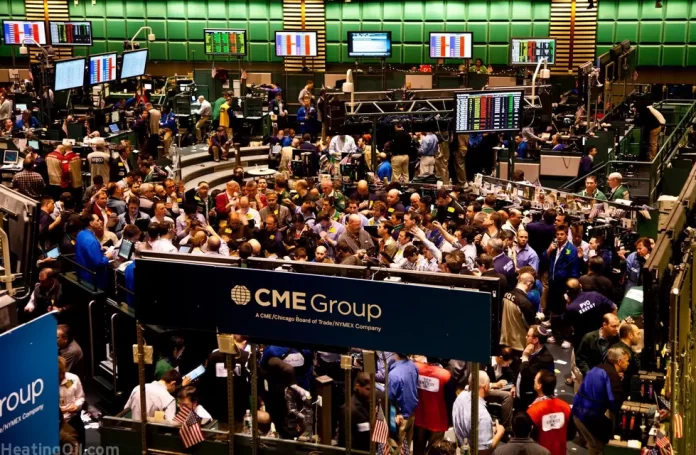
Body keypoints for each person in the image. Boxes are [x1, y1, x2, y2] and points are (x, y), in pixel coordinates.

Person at [572, 348, 629, 455]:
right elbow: (614, 403)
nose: (628, 363)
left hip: (577, 411)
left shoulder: (598, 367)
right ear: (619, 361)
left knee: (593, 444)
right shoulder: (612, 376)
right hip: (587, 416)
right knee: (599, 447)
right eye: (626, 360)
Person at [452, 370, 506, 453]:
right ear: (486, 386)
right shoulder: (483, 415)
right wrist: (500, 432)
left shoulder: (460, 397)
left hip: (461, 448)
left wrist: (489, 428)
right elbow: (484, 452)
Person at [543, 225, 579, 347]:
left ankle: (567, 338)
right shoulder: (553, 247)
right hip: (553, 284)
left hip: (564, 286)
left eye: (562, 234)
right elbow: (544, 259)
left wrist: (571, 288)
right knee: (554, 311)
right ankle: (555, 334)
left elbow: (574, 270)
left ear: (566, 235)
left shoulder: (571, 249)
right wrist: (549, 250)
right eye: (557, 234)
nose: (559, 237)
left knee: (565, 312)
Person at [526, 370, 574, 455]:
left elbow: (529, 439)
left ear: (539, 386)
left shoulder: (532, 411)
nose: (533, 380)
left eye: (535, 379)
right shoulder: (565, 407)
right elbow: (571, 434)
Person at [564, 278, 617, 349]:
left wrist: (568, 303)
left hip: (582, 340)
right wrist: (612, 326)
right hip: (600, 334)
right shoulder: (594, 295)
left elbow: (567, 325)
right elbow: (614, 307)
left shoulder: (571, 308)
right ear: (580, 286)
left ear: (568, 292)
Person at [413, 356, 451, 455]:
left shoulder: (417, 368)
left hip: (420, 417)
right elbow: (450, 399)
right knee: (435, 451)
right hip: (438, 421)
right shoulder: (445, 375)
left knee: (418, 450)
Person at [517, 325, 554, 409]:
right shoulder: (529, 348)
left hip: (531, 400)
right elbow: (519, 368)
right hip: (519, 393)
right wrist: (514, 385)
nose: (526, 337)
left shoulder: (546, 358)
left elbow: (526, 373)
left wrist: (525, 356)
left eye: (528, 336)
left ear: (535, 340)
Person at [388, 353, 419, 455]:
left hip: (399, 418)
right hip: (411, 413)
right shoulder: (413, 366)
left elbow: (390, 398)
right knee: (406, 448)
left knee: (396, 449)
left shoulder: (394, 375)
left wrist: (397, 413)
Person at [75, 214, 116, 289]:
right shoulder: (91, 241)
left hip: (82, 274)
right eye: (97, 220)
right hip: (93, 280)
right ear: (91, 223)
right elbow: (99, 263)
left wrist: (99, 249)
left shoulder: (80, 234)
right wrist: (107, 257)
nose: (100, 222)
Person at [501, 273, 537, 353]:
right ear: (529, 283)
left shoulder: (506, 294)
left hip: (505, 340)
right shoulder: (524, 303)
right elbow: (532, 325)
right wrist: (539, 318)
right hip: (519, 344)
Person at [576, 313, 620, 377]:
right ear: (605, 325)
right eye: (614, 326)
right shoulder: (589, 338)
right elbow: (580, 358)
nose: (617, 329)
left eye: (618, 326)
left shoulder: (616, 338)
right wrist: (588, 373)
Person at [338, 372, 373, 451]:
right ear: (358, 386)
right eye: (367, 389)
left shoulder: (368, 401)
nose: (371, 392)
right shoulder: (349, 409)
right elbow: (346, 441)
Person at [59, 357, 86, 448]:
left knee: (80, 445)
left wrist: (76, 406)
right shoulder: (46, 385)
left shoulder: (73, 379)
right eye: (59, 374)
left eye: (63, 373)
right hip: (58, 423)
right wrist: (60, 411)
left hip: (73, 418)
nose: (62, 377)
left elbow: (80, 397)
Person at [611, 323, 641, 397]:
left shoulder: (627, 348)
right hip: (620, 394)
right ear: (630, 335)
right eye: (638, 334)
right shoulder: (619, 350)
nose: (639, 337)